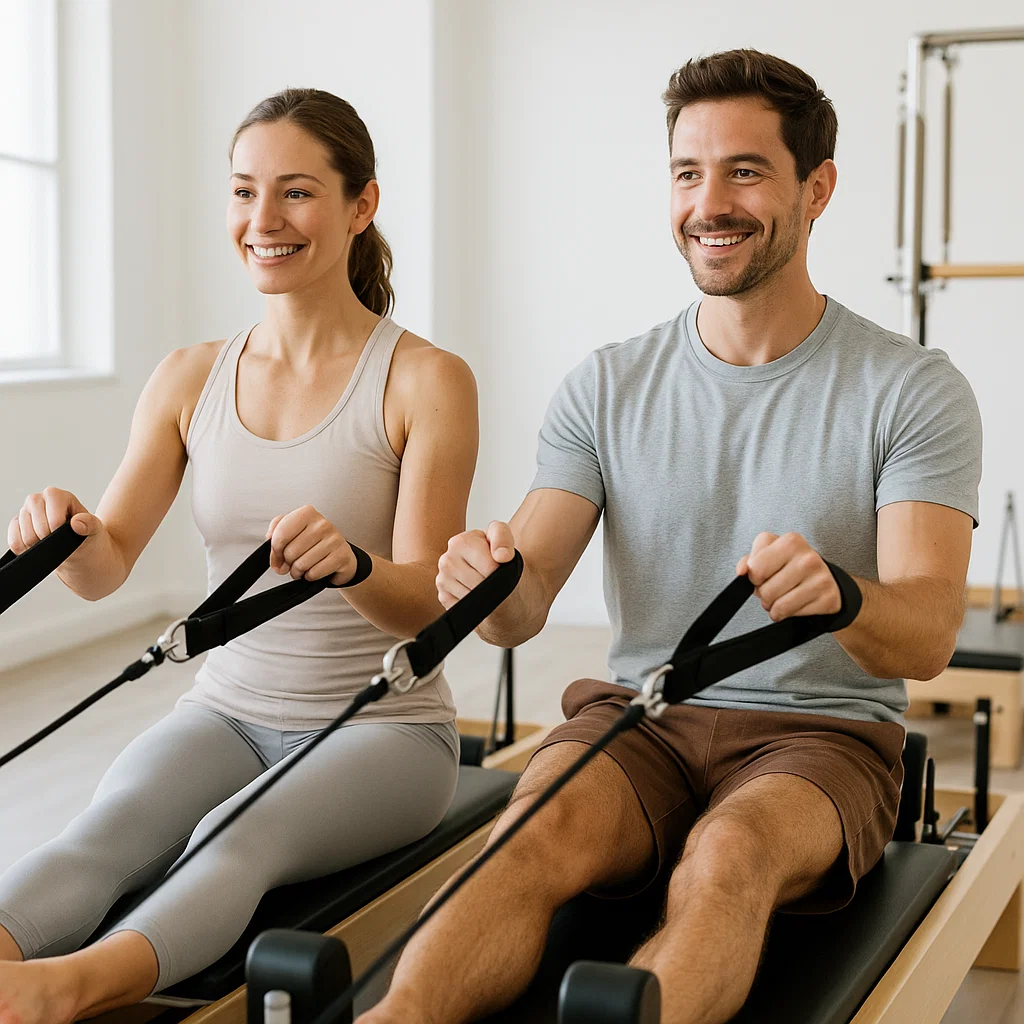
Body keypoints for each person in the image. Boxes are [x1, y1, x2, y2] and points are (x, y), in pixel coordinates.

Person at [359, 49, 982, 1024]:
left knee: (729, 854)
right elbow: (520, 611)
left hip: (821, 733)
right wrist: (483, 579)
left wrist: (844, 596)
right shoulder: (606, 385)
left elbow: (931, 633)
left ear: (815, 188)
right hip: (643, 714)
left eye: (744, 170)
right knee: (527, 823)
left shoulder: (909, 387)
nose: (708, 202)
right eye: (687, 173)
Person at [0, 87, 477, 1024]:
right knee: (106, 830)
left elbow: (432, 608)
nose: (264, 221)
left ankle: (60, 994)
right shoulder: (190, 377)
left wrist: (354, 566)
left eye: (296, 193)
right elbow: (108, 566)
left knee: (232, 837)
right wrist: (64, 530)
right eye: (244, 192)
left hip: (384, 733)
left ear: (360, 206)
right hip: (226, 710)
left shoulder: (424, 380)